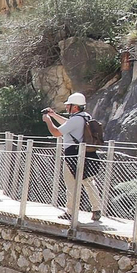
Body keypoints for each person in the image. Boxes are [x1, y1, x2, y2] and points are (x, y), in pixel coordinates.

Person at [42, 92, 103, 221]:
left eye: (68, 105)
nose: (66, 107)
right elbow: (68, 123)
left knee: (71, 185)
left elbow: (56, 132)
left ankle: (70, 212)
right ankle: (96, 209)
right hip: (87, 154)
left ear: (74, 107)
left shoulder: (76, 119)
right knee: (89, 182)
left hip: (72, 155)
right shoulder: (85, 116)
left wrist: (48, 121)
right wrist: (54, 115)